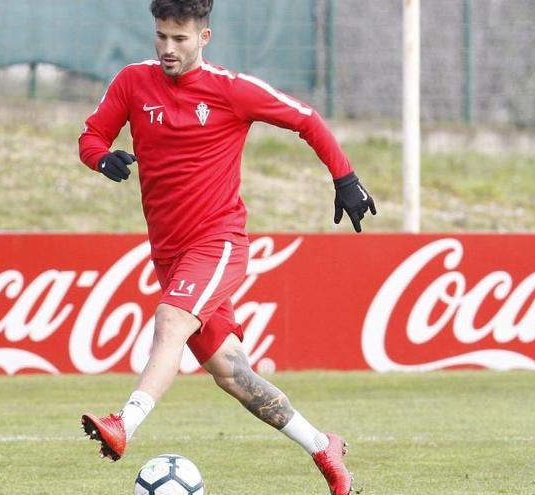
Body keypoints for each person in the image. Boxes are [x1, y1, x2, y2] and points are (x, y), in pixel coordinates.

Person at [77, 1, 374, 493]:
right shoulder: (133, 82)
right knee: (233, 375)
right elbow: (91, 135)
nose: (168, 49)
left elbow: (307, 119)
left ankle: (123, 423)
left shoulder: (233, 91)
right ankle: (324, 446)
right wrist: (101, 158)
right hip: (169, 255)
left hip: (217, 242)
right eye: (161, 37)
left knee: (171, 320)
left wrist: (346, 178)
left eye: (180, 39)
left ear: (204, 38)